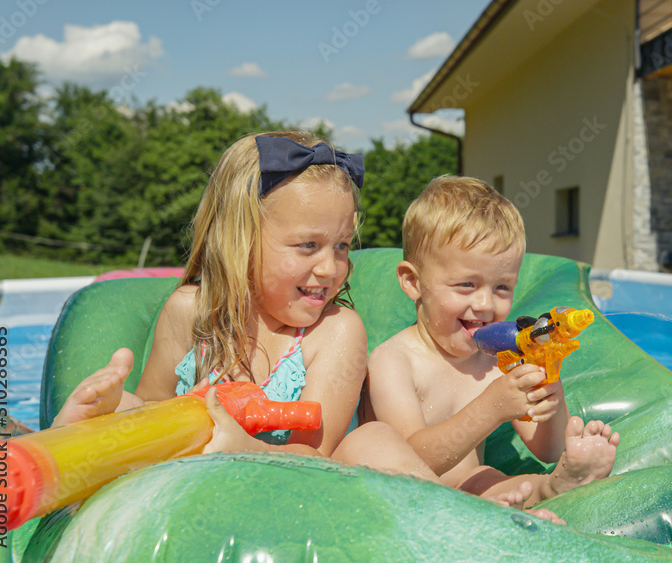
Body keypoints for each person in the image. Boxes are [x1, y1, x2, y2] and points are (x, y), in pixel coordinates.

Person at [50, 131, 436, 479]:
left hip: (299, 489)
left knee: (374, 440)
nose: (330, 267)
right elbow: (156, 403)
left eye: (341, 245)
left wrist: (246, 448)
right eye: (308, 246)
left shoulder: (334, 330)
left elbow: (318, 454)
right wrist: (120, 404)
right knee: (124, 412)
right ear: (242, 241)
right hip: (196, 483)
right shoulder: (190, 312)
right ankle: (67, 439)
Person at [361, 176, 620, 508]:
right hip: (403, 497)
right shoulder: (394, 361)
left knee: (492, 479)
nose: (485, 304)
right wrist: (491, 407)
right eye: (467, 284)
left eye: (502, 288)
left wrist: (551, 396)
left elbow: (546, 449)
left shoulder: (499, 361)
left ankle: (555, 488)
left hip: (472, 487)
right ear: (413, 282)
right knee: (478, 481)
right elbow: (412, 458)